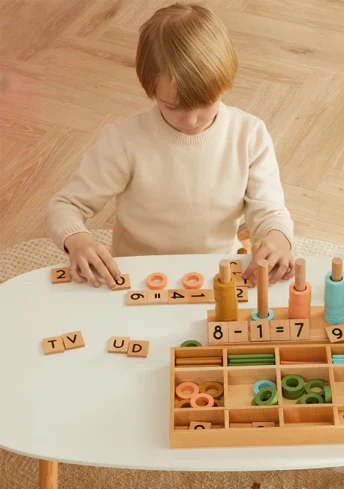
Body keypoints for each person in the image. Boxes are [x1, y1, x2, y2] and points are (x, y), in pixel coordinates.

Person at [46, 3, 294, 288]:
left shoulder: (249, 134)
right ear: (149, 89)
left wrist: (277, 236)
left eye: (203, 104)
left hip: (216, 272)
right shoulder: (124, 140)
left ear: (225, 82)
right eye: (172, 107)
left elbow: (270, 210)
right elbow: (64, 206)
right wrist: (76, 239)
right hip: (137, 275)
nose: (190, 120)